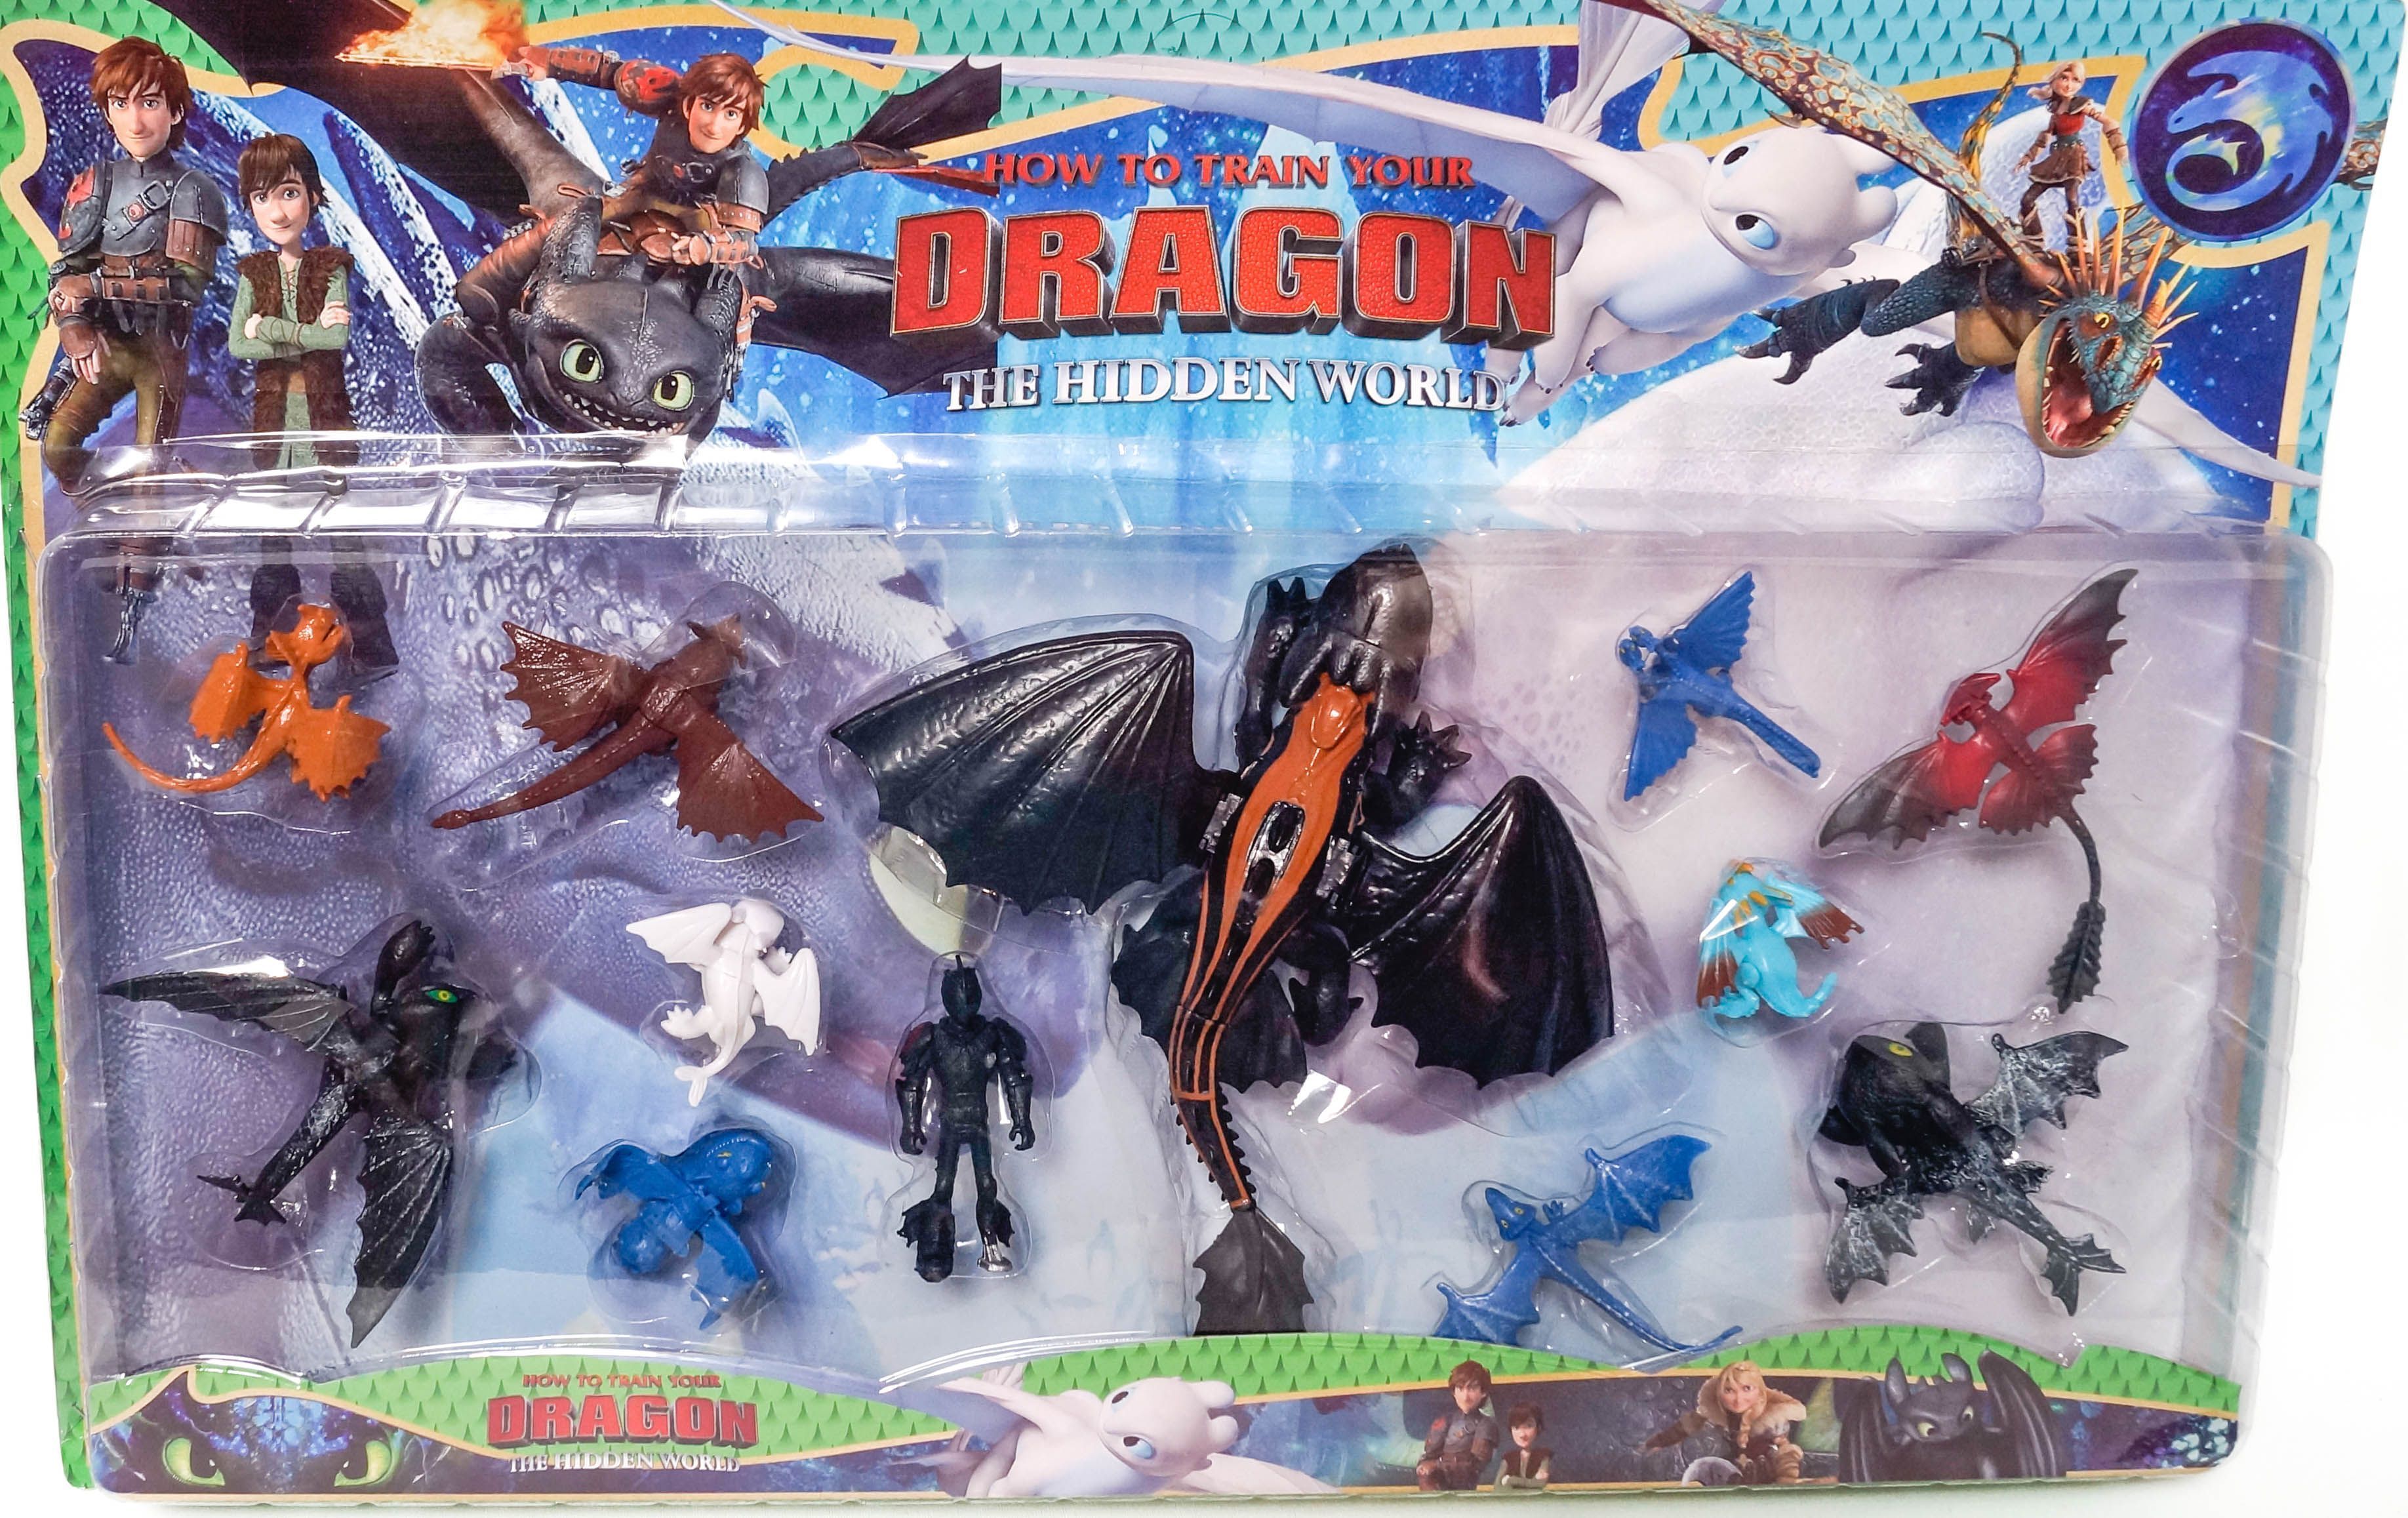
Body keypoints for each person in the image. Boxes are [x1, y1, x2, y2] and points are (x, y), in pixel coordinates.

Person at [36, 37, 229, 660]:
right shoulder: (95, 184)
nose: (136, 120)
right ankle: (117, 520)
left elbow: (186, 285)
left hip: (160, 353)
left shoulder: (193, 191)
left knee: (148, 479)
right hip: (107, 345)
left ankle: (136, 599)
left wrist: (92, 287)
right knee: (58, 445)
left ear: (175, 110)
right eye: (121, 104)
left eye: (149, 102)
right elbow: (63, 271)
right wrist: (74, 326)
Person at [230, 134, 355, 469]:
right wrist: (310, 335)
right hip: (275, 408)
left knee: (333, 479)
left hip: (323, 406)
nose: (277, 213)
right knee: (275, 479)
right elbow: (238, 345)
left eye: (289, 194)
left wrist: (267, 328)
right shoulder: (253, 273)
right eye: (261, 197)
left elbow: (335, 338)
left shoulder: (331, 269)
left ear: (313, 196)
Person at [1641, 1361, 1805, 1486]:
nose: (1738, 1399)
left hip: (1765, 1480)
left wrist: (1786, 1481)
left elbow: (1787, 1452)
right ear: (1720, 1393)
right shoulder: (1716, 1411)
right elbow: (1686, 1426)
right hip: (1730, 1477)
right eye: (1729, 1390)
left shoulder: (1773, 1419)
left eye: (1747, 1389)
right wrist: (1657, 1443)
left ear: (1759, 1391)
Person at [2015, 61, 2127, 245]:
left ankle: (2078, 246)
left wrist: (2119, 148)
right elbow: (2045, 137)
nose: (2069, 85)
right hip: (2055, 160)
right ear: (2055, 80)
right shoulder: (2056, 111)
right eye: (2064, 78)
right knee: (2027, 199)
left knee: (2072, 200)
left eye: (2076, 80)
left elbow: (2109, 122)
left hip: (2074, 158)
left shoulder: (2081, 105)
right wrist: (2028, 157)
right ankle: (2034, 240)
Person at [1418, 1360, 1499, 1491]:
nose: (1465, 1397)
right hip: (1438, 1492)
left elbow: (1475, 1465)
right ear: (1454, 1392)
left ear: (1483, 1392)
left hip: (1466, 1492)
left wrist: (1437, 1464)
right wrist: (1426, 1470)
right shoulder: (1446, 1421)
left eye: (1472, 1389)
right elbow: (1428, 1457)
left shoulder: (1486, 1425)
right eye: (1460, 1389)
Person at [1491, 1405, 1551, 1491]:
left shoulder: (1543, 1456)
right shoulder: (1509, 1458)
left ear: (1538, 1428)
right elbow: (1497, 1487)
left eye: (1529, 1426)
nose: (1522, 1434)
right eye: (1516, 1428)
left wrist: (1511, 1480)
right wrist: (1530, 1482)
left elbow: (1540, 1483)